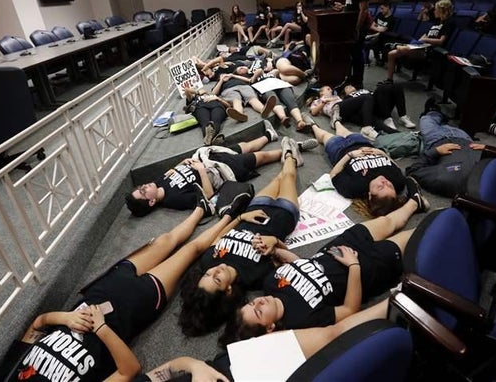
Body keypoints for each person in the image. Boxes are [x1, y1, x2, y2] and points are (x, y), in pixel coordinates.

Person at [0, 201, 238, 381]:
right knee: (191, 251)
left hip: (101, 290)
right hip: (133, 305)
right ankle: (231, 214)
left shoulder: (8, 376)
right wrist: (101, 328)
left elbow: (38, 323)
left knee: (165, 241)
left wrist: (65, 317)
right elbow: (129, 370)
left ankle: (203, 207)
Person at [221, 198, 423, 343]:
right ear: (269, 328)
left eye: (252, 303)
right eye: (258, 311)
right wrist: (353, 266)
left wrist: (277, 248)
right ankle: (446, 220)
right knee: (416, 237)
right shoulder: (301, 320)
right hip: (366, 268)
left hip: (336, 248)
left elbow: (301, 264)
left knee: (387, 222)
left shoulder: (270, 284)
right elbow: (349, 311)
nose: (259, 301)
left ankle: (415, 202)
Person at [179, 142, 305, 336]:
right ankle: (290, 153)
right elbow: (287, 258)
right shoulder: (253, 278)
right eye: (217, 279)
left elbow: (221, 236)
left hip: (253, 211)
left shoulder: (208, 260)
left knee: (277, 179)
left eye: (207, 275)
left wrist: (240, 218)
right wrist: (274, 242)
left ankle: (288, 155)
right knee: (288, 175)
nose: (214, 271)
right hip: (283, 216)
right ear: (228, 290)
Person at [125, 127, 280, 217]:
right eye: (143, 191)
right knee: (260, 157)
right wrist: (201, 171)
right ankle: (293, 150)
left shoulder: (158, 182)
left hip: (208, 158)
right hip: (217, 170)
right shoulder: (175, 200)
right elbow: (208, 196)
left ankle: (269, 135)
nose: (144, 186)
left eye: (140, 187)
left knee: (244, 146)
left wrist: (183, 162)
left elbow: (174, 170)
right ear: (151, 202)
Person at [309, 120, 429, 217]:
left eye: (380, 187)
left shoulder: (355, 187)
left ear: (370, 195)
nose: (385, 182)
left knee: (325, 136)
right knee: (344, 131)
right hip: (363, 143)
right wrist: (381, 153)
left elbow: (333, 175)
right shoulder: (397, 182)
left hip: (340, 150)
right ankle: (336, 121)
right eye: (389, 185)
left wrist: (350, 155)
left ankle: (313, 125)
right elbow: (395, 166)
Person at [406, 97, 488, 197]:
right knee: (444, 125)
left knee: (426, 119)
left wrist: (436, 151)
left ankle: (435, 113)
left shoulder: (446, 179)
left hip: (436, 140)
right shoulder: (491, 175)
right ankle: (440, 118)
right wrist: (489, 150)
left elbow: (413, 171)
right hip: (465, 138)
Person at [383, 0, 455, 84]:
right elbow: (425, 35)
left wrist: (425, 39)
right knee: (391, 54)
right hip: (422, 46)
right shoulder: (436, 23)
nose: (434, 11)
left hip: (430, 50)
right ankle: (389, 80)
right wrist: (422, 40)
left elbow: (441, 41)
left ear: (442, 10)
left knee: (402, 49)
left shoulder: (448, 23)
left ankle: (397, 45)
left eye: (436, 9)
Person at [332, 0, 372, 88]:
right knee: (350, 55)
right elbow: (354, 6)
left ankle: (358, 83)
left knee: (357, 56)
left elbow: (363, 10)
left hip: (357, 28)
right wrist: (344, 7)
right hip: (350, 27)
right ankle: (349, 80)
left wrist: (357, 28)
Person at [211, 66, 277, 122]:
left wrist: (232, 75)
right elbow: (214, 93)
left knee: (252, 98)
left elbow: (249, 80)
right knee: (236, 100)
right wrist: (221, 80)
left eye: (225, 74)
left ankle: (263, 110)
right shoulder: (220, 83)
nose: (224, 76)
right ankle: (239, 115)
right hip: (229, 90)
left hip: (244, 86)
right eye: (222, 75)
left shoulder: (237, 77)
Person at [364, 1, 396, 66]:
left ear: (388, 8)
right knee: (364, 39)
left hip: (385, 37)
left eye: (382, 8)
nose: (381, 10)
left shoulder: (391, 19)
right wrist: (379, 29)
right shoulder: (380, 14)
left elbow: (384, 31)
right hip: (376, 34)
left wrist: (372, 34)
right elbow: (372, 25)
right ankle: (367, 60)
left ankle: (376, 59)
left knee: (371, 41)